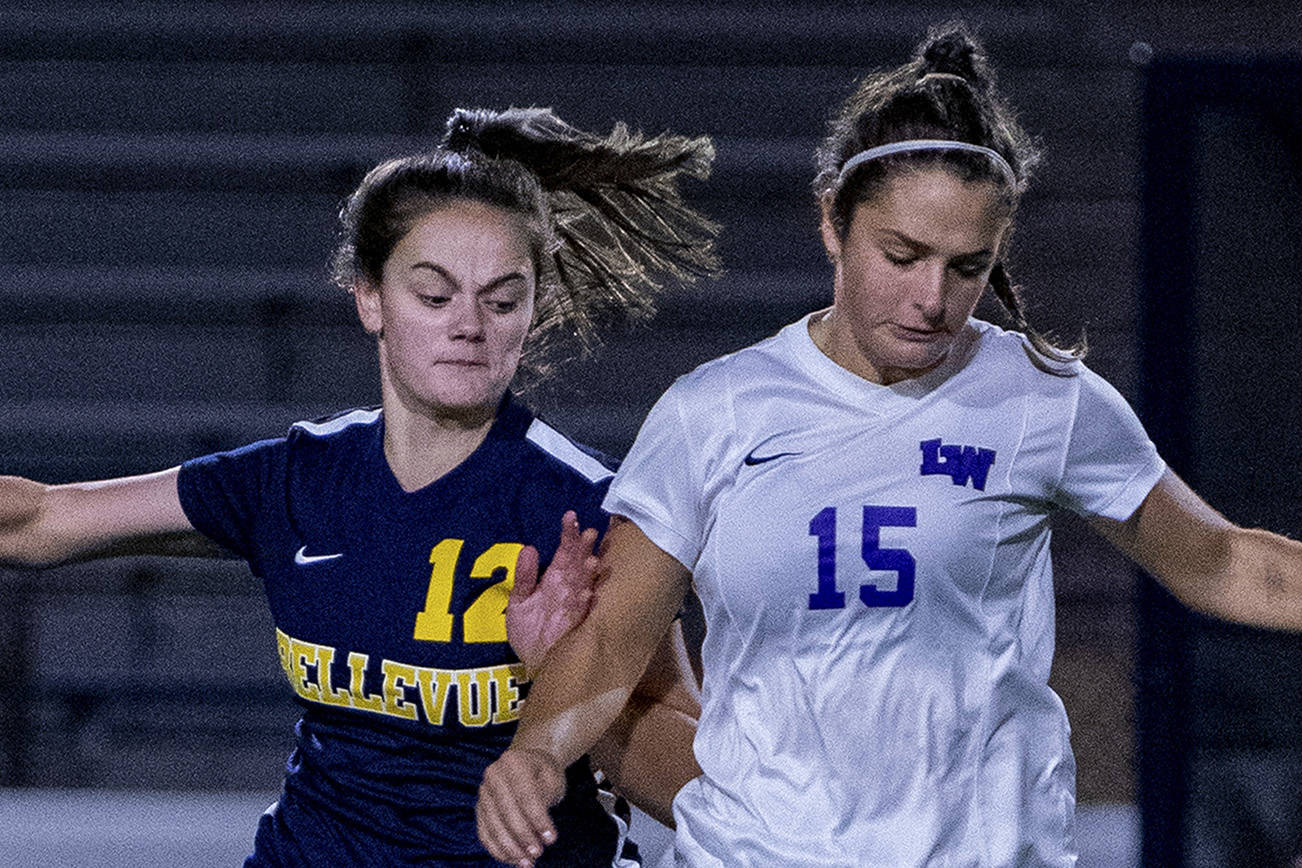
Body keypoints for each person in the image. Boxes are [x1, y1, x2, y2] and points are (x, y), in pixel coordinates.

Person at [474, 23, 1302, 868]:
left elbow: (1224, 563)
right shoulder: (715, 411)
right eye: (901, 255)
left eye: (966, 266)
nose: (931, 297)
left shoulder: (1040, 398)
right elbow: (614, 637)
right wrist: (537, 750)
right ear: (833, 217)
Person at [0, 106, 716, 866]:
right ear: (369, 298)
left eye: (503, 300)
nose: (469, 324)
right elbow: (41, 519)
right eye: (434, 296)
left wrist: (560, 694)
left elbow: (696, 783)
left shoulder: (588, 511)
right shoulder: (298, 480)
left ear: (532, 312)